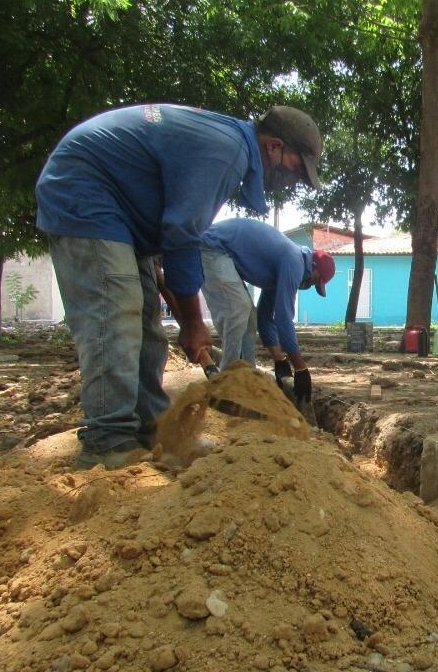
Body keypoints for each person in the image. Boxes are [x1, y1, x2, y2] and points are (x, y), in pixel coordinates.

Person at [36, 103, 323, 467]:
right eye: (298, 168)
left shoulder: (230, 145)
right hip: (86, 192)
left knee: (147, 323)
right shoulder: (228, 152)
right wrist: (192, 322)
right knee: (116, 309)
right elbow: (182, 233)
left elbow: (176, 237)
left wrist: (172, 301)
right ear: (274, 146)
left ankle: (154, 430)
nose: (296, 180)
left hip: (126, 220)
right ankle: (108, 440)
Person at [199, 218, 335, 405]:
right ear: (312, 267)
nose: (309, 285)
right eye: (314, 281)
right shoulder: (294, 261)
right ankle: (227, 385)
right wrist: (300, 368)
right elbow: (283, 318)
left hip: (222, 251)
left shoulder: (287, 265)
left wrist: (279, 360)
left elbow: (265, 317)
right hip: (213, 247)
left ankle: (248, 382)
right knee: (238, 308)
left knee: (251, 316)